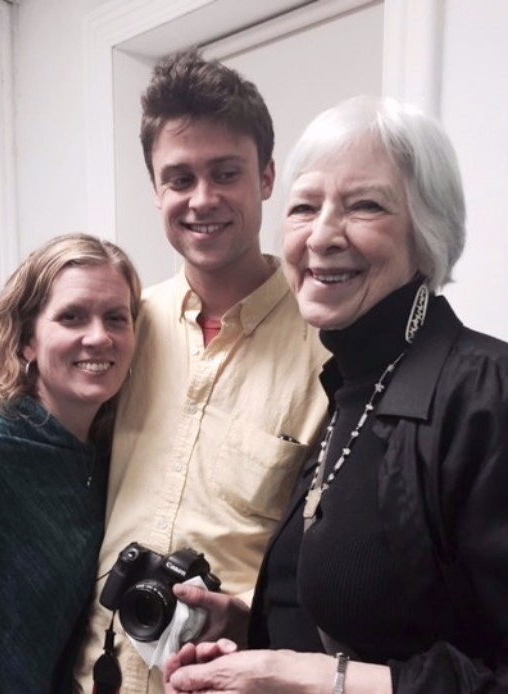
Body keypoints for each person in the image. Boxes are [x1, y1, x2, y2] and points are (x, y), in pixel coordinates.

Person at [162, 95, 508, 693]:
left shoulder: (484, 395)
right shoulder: (351, 385)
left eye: (365, 206)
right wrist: (257, 629)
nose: (321, 236)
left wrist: (313, 679)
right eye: (304, 207)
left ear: (427, 231)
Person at [74, 49, 330, 693]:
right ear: (156, 190)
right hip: (95, 671)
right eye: (180, 178)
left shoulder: (328, 347)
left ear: (266, 178)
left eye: (226, 173)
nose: (202, 199)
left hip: (227, 678)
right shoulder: (125, 326)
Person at [0, 232, 141, 693]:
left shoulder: (106, 455)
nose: (99, 337)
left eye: (116, 318)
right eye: (72, 317)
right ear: (27, 340)